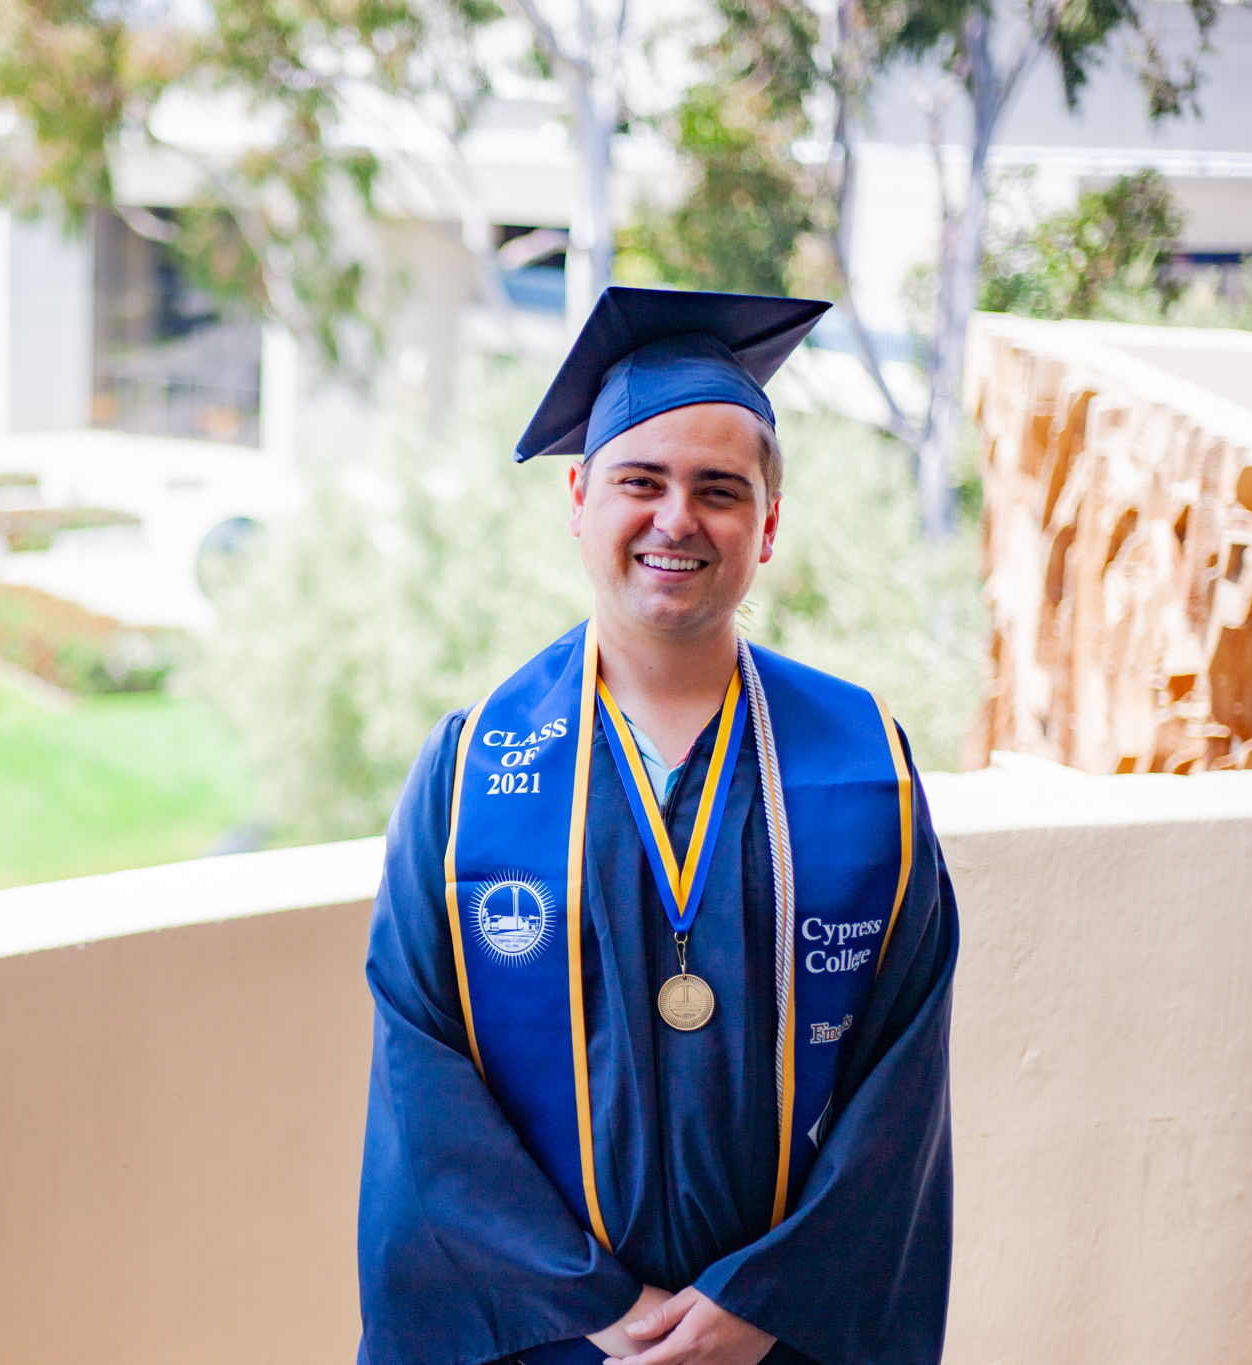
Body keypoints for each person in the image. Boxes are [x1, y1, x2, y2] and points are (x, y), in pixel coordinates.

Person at [356, 287, 957, 1365]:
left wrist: (764, 1301)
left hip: (777, 1340)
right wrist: (587, 1303)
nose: (675, 519)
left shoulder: (863, 765)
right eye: (641, 481)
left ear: (765, 526)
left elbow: (899, 1085)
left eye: (717, 490)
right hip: (552, 1338)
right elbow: (422, 1075)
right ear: (578, 497)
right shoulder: (468, 772)